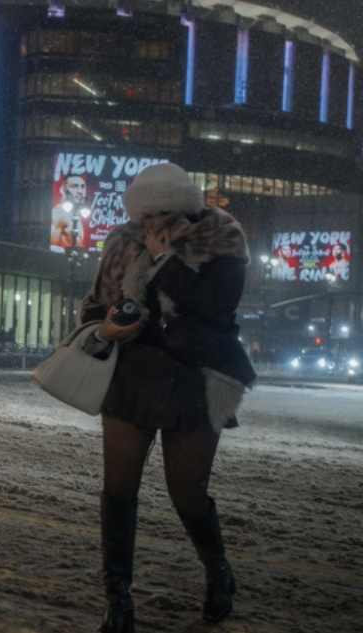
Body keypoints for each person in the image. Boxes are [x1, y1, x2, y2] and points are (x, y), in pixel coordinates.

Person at [79, 163, 256, 632]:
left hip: (195, 377)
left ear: (186, 209)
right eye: (146, 216)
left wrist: (164, 263)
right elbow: (95, 304)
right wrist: (106, 327)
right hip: (132, 373)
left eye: (164, 214)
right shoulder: (121, 240)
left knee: (188, 493)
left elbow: (217, 308)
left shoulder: (222, 238)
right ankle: (118, 601)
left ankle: (219, 573)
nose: (154, 225)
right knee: (118, 491)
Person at [50, 174, 88, 252]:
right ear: (62, 189)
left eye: (82, 186)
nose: (80, 191)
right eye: (74, 186)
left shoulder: (75, 213)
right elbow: (53, 248)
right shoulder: (58, 214)